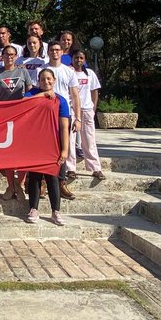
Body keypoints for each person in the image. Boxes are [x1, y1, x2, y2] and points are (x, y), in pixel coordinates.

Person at [24, 68, 71, 226]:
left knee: (53, 177)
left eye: (49, 79)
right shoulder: (32, 94)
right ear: (38, 81)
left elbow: (64, 126)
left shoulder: (61, 100)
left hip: (53, 144)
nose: (46, 82)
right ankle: (33, 208)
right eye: (43, 79)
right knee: (35, 176)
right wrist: (43, 95)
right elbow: (24, 104)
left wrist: (64, 150)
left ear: (54, 80)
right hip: (36, 143)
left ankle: (55, 211)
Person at [0, 44, 33, 200]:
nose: (9, 56)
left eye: (12, 54)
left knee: (22, 153)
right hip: (4, 118)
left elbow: (30, 92)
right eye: (6, 54)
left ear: (16, 56)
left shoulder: (23, 71)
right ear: (1, 57)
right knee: (9, 154)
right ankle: (10, 185)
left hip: (22, 118)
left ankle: (20, 185)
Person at [45, 41, 81, 196]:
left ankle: (61, 182)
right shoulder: (41, 69)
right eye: (52, 50)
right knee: (44, 148)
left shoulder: (69, 71)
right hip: (45, 115)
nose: (55, 52)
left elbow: (75, 95)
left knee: (63, 148)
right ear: (48, 52)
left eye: (57, 50)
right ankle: (42, 184)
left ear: (62, 52)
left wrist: (78, 118)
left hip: (63, 113)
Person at [70, 50, 105, 180]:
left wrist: (93, 109)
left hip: (86, 109)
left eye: (81, 58)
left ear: (84, 60)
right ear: (72, 59)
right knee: (71, 140)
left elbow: (94, 92)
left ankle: (95, 168)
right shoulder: (69, 73)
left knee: (89, 140)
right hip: (72, 110)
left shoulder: (89, 74)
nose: (78, 60)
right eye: (76, 57)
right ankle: (70, 169)